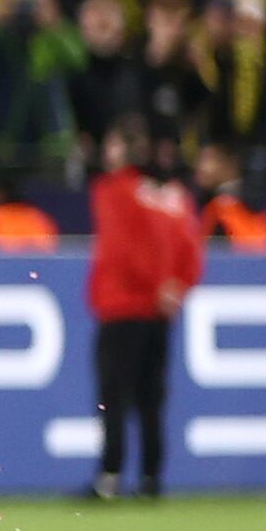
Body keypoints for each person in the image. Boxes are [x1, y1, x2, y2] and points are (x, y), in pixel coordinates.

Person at [85, 133, 201, 498]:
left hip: (122, 306)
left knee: (113, 396)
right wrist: (174, 287)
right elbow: (191, 250)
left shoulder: (115, 189)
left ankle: (110, 476)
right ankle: (151, 477)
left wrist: (153, 287)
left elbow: (123, 249)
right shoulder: (174, 197)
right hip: (159, 312)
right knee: (151, 397)